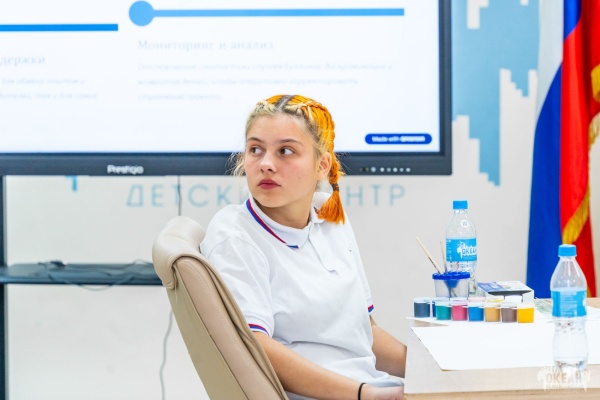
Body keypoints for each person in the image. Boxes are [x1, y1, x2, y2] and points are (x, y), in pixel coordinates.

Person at [200, 94, 406, 400]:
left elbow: (365, 331)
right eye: (255, 150)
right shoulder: (235, 234)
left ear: (321, 166)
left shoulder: (330, 217)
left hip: (371, 387)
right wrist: (365, 393)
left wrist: (434, 370)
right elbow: (254, 348)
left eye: (285, 151)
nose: (266, 164)